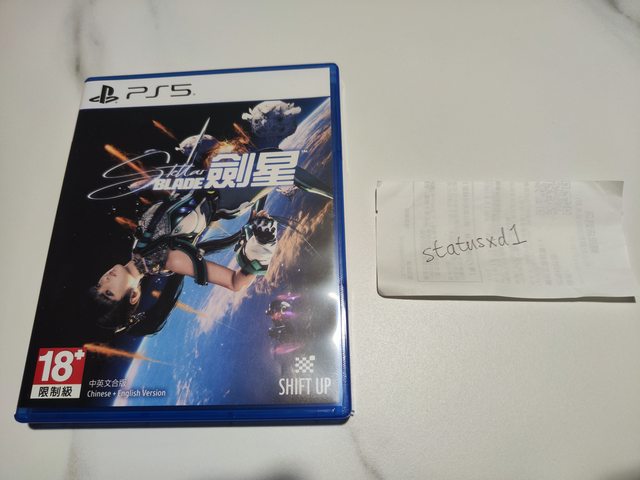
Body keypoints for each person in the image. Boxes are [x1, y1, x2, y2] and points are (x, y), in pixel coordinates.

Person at [91, 188, 278, 333]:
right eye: (108, 292)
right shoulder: (170, 261)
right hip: (228, 194)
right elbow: (234, 282)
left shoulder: (139, 245)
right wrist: (264, 242)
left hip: (211, 173)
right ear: (133, 296)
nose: (105, 280)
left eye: (99, 285)